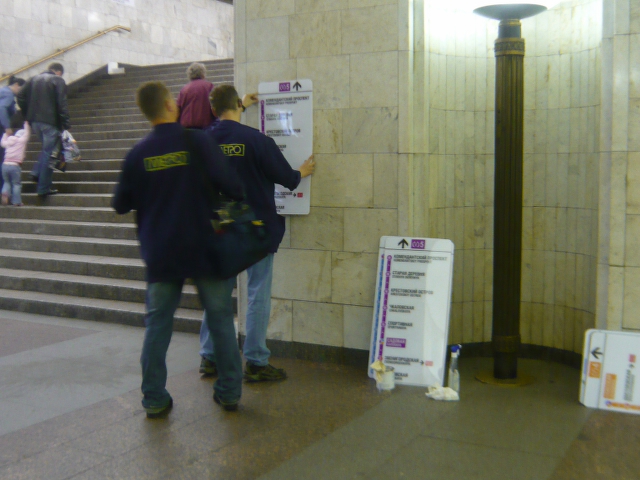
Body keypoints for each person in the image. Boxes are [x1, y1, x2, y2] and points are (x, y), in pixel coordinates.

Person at [112, 81, 246, 416]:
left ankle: (154, 398)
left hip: (161, 252)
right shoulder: (197, 141)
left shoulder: (138, 153)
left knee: (158, 324)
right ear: (171, 105)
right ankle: (229, 391)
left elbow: (120, 204)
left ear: (146, 112)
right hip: (206, 247)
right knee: (220, 319)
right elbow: (233, 186)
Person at [198, 85, 315, 382]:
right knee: (257, 294)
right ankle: (256, 361)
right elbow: (287, 178)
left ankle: (209, 357)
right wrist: (302, 171)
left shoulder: (202, 141)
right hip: (255, 230)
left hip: (217, 230)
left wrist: (239, 106)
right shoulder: (257, 140)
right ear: (238, 104)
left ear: (213, 110)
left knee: (218, 294)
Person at [16, 62, 70, 197]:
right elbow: (62, 103)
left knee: (46, 150)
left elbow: (20, 95)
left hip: (35, 122)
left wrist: (27, 114)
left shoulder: (32, 79)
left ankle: (36, 173)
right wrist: (66, 123)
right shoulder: (58, 80)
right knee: (50, 154)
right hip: (50, 122)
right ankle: (43, 188)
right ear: (59, 72)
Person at [0, 76, 26, 191]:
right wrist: (7, 127)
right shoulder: (8, 94)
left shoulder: (3, 91)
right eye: (21, 89)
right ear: (16, 85)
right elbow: (2, 108)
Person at [0, 112, 29, 206]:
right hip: (14, 166)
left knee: (7, 182)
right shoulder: (21, 141)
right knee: (16, 184)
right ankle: (16, 201)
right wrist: (26, 123)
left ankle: (5, 192)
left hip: (5, 165)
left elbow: (2, 143)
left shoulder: (8, 141)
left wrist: (6, 134)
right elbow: (27, 134)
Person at [176, 62, 216, 129]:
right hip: (205, 128)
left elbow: (178, 110)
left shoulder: (184, 89)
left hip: (187, 129)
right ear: (203, 73)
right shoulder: (209, 86)